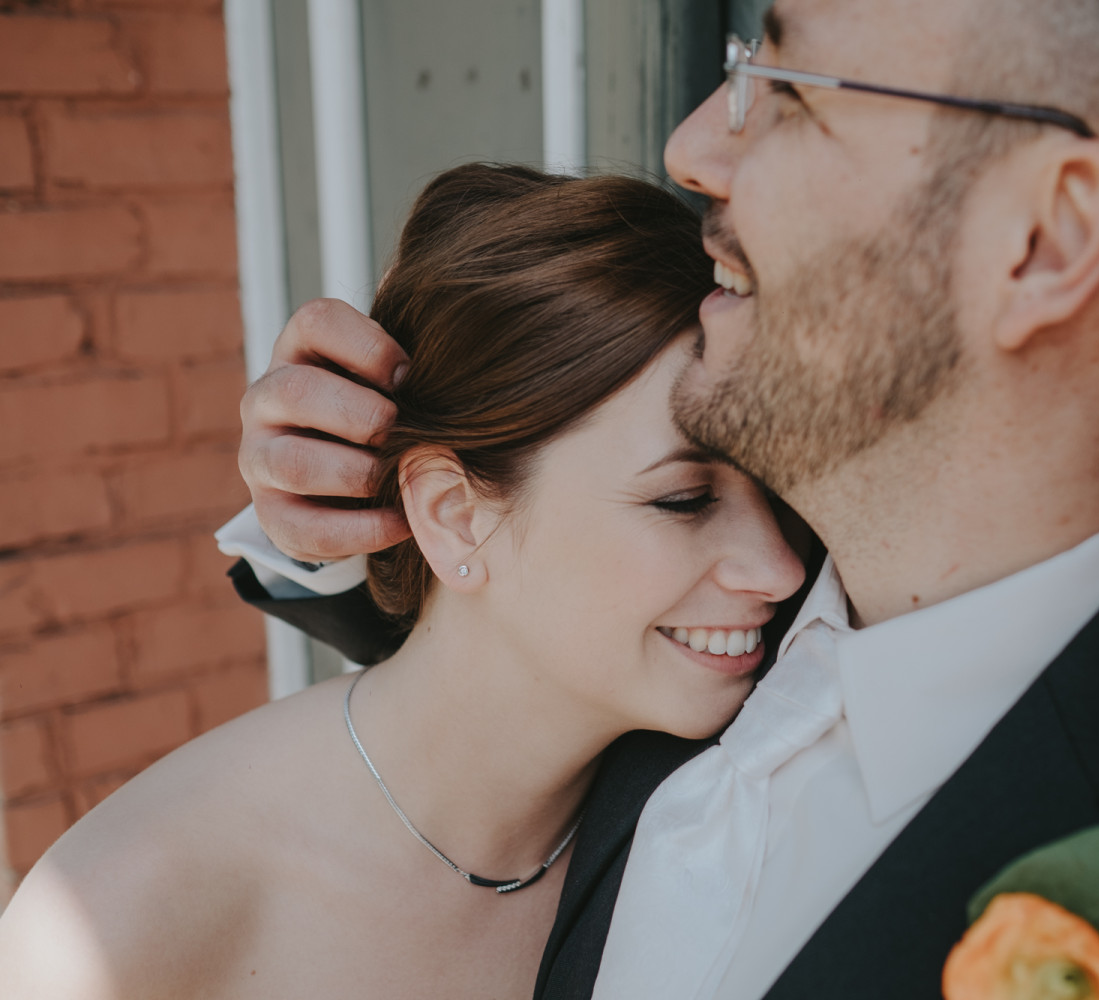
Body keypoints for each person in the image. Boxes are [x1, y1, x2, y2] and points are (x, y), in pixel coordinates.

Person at [224, 0, 1099, 997]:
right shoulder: (708, 611)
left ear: (1047, 241)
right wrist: (352, 514)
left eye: (785, 89)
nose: (694, 149)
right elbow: (510, 662)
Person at [0, 165, 806, 999]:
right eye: (684, 499)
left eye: (780, 486)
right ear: (454, 514)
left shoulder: (733, 791)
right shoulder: (109, 930)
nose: (779, 569)